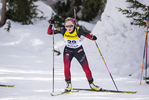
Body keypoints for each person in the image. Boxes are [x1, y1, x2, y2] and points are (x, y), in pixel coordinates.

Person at [47, 17, 101, 92]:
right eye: (67, 26)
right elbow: (49, 32)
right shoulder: (63, 30)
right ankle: (68, 85)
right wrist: (51, 25)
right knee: (66, 68)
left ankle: (92, 84)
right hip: (68, 51)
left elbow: (87, 35)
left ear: (74, 25)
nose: (69, 28)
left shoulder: (78, 30)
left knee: (86, 69)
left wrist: (92, 37)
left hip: (79, 51)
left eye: (71, 26)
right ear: (65, 26)